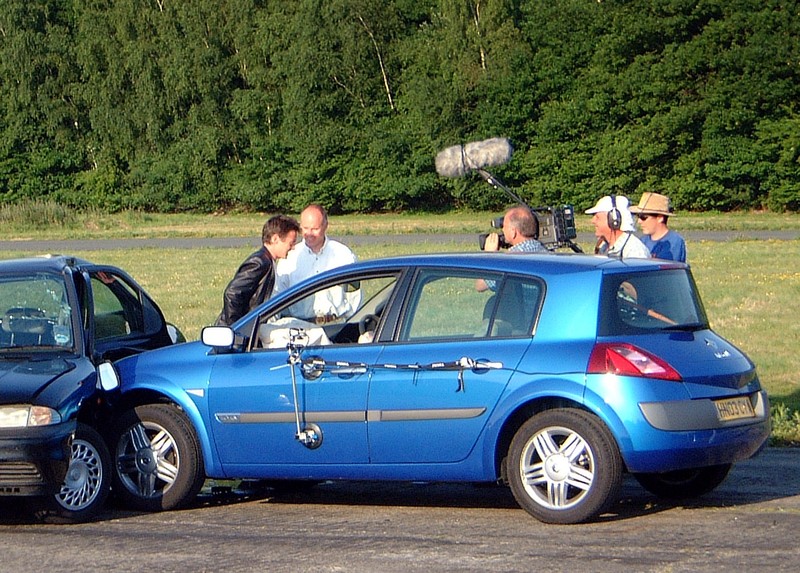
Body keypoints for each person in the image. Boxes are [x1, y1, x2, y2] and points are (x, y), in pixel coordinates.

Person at [274, 204, 358, 323]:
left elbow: (354, 296)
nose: (309, 234)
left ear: (325, 226)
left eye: (314, 229)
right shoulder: (290, 257)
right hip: (300, 327)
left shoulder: (343, 255)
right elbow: (278, 298)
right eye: (305, 228)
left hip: (335, 325)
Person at [216, 214, 300, 326]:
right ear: (275, 239)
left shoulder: (269, 262)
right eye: (291, 243)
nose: (293, 247)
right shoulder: (259, 262)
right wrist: (235, 330)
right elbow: (232, 294)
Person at [476, 205, 548, 292]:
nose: (502, 230)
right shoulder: (546, 252)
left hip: (522, 305)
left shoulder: (510, 260)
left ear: (513, 232)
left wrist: (489, 255)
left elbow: (480, 286)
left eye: (504, 226)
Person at [585, 195, 651, 259]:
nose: (593, 221)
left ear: (613, 220)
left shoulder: (635, 252)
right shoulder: (603, 246)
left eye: (597, 217)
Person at [629, 192, 687, 262]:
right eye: (638, 216)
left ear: (660, 218)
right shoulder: (642, 241)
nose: (639, 221)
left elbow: (663, 270)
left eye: (643, 217)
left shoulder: (675, 242)